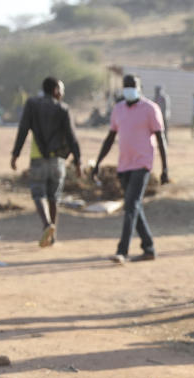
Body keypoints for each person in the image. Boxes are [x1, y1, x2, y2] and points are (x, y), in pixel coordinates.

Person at [94, 74, 170, 263]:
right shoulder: (118, 109)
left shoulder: (150, 109)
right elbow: (110, 137)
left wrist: (165, 168)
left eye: (132, 86)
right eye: (126, 86)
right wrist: (97, 162)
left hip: (142, 163)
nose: (129, 89)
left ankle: (123, 250)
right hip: (124, 164)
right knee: (133, 206)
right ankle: (149, 247)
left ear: (139, 87)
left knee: (130, 206)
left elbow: (161, 139)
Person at [10, 77, 81, 247]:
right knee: (53, 197)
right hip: (57, 160)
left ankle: (47, 224)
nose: (62, 94)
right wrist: (79, 161)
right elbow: (72, 137)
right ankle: (53, 236)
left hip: (38, 158)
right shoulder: (63, 109)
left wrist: (15, 154)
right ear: (56, 90)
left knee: (38, 193)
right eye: (62, 90)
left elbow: (23, 129)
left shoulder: (32, 104)